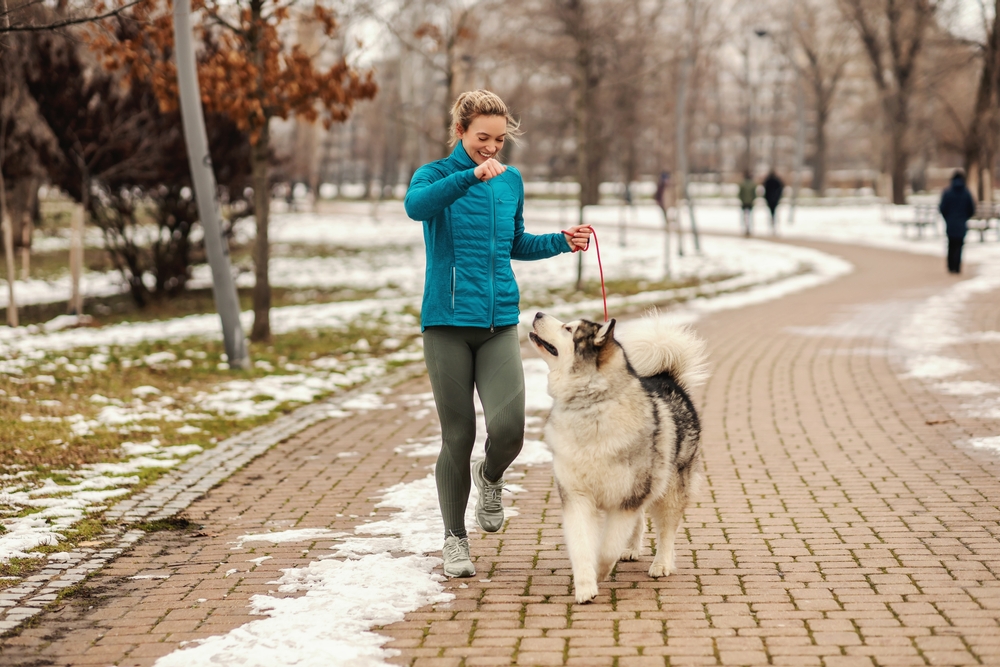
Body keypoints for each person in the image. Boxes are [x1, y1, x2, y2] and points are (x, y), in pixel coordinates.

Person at [404, 90, 592, 578]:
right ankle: (454, 540)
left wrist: (560, 242)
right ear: (461, 132)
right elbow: (416, 207)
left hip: (498, 322)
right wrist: (469, 176)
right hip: (446, 323)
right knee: (458, 434)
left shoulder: (511, 183)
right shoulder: (436, 175)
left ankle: (490, 478)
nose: (491, 148)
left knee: (508, 429)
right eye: (482, 138)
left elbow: (516, 243)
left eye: (499, 140)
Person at [938, 169, 976, 274]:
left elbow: (942, 208)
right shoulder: (966, 193)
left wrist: (948, 218)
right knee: (959, 245)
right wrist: (964, 217)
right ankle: (957, 267)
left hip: (950, 223)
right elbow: (971, 209)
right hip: (961, 223)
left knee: (951, 244)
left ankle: (950, 266)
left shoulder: (947, 192)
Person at [654, 170, 683, 255]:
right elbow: (658, 195)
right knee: (665, 214)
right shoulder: (661, 186)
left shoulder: (669, 185)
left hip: (668, 203)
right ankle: (667, 224)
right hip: (664, 203)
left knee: (670, 214)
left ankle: (670, 222)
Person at [763, 170, 784, 234]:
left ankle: (772, 226)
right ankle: (774, 226)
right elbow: (781, 189)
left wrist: (766, 198)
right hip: (775, 199)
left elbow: (765, 190)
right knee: (774, 213)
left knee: (771, 213)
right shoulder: (777, 181)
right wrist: (778, 197)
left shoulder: (768, 181)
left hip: (770, 199)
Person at [737, 172, 756, 236]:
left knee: (744, 216)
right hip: (750, 202)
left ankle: (745, 227)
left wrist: (742, 200)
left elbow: (740, 194)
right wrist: (752, 199)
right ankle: (749, 228)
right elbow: (754, 194)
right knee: (750, 216)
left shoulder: (742, 184)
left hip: (744, 202)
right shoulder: (752, 184)